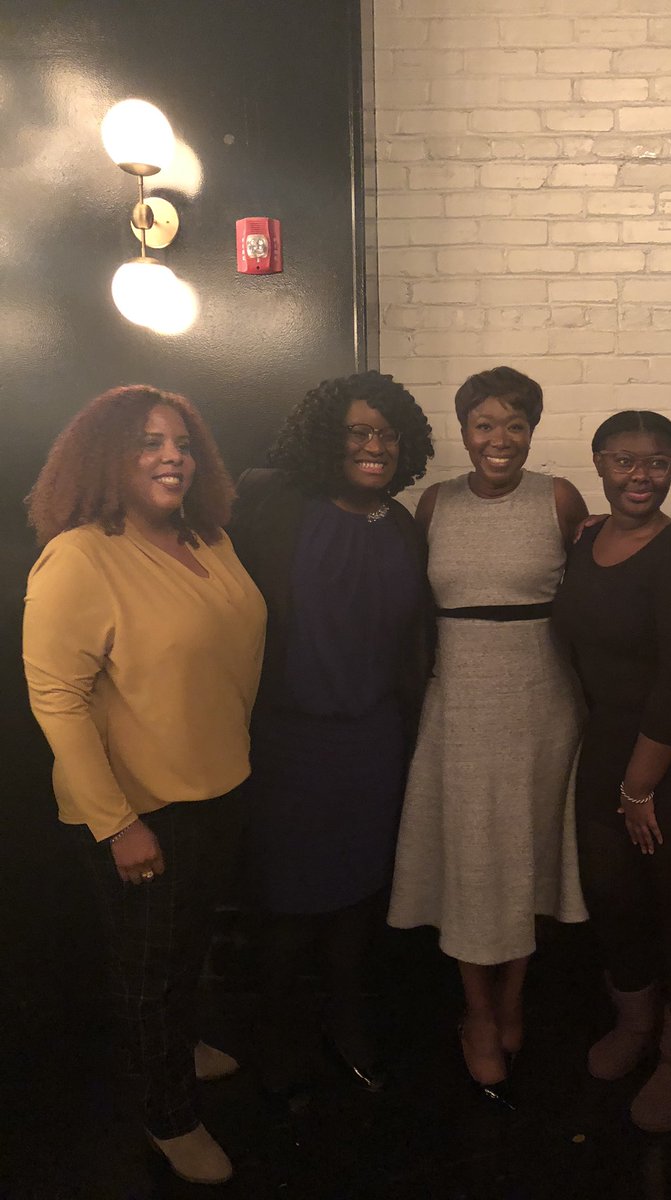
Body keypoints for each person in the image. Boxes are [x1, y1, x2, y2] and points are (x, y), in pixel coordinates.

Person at [22, 385, 266, 1186]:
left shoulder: (210, 538)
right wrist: (117, 823)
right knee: (146, 973)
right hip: (140, 811)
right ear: (104, 460)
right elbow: (55, 698)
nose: (172, 457)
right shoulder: (81, 555)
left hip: (216, 788)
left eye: (182, 443)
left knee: (183, 951)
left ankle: (179, 1044)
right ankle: (168, 1115)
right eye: (147, 444)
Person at [387, 365, 589, 1106]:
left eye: (514, 425)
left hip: (543, 708)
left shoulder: (560, 498)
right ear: (463, 429)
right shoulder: (432, 504)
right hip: (461, 708)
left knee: (525, 858)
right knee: (469, 861)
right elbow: (406, 612)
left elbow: (590, 596)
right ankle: (477, 1012)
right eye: (484, 425)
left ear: (531, 431)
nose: (498, 440)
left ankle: (513, 1001)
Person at [229, 371, 434, 1096]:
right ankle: (279, 1039)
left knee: (356, 897)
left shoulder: (407, 525)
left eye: (386, 433)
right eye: (358, 430)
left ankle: (349, 1025)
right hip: (286, 742)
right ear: (329, 437)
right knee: (284, 903)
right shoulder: (269, 504)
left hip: (373, 743)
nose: (374, 445)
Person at [552, 411, 671, 1132]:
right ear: (600, 462)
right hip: (608, 742)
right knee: (611, 892)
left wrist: (640, 786)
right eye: (626, 461)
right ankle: (636, 1024)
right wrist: (622, 780)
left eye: (657, 462)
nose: (641, 476)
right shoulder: (585, 539)